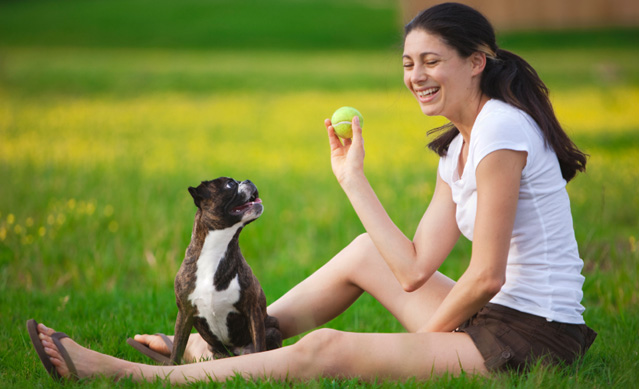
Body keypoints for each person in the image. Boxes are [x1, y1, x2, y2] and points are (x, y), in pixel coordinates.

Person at [28, 2, 596, 383]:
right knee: (365, 251)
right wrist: (352, 177)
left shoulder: (501, 127)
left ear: (476, 62)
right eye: (407, 63)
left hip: (533, 334)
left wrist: (430, 336)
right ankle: (234, 342)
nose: (416, 75)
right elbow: (415, 268)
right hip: (492, 314)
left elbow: (486, 275)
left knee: (326, 349)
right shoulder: (458, 145)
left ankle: (142, 376)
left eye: (431, 61)